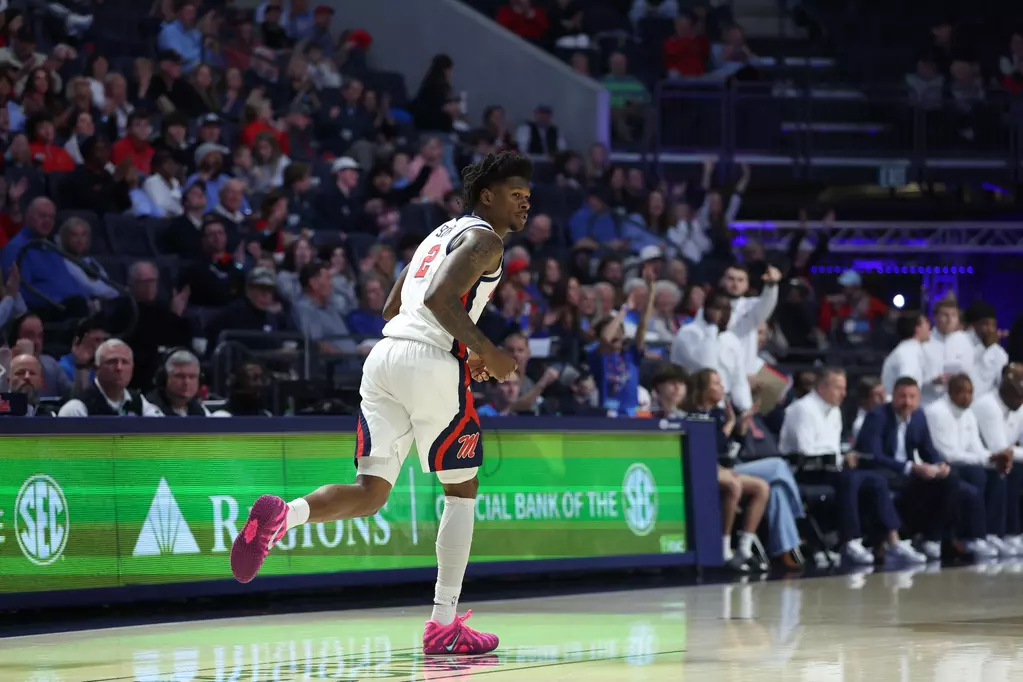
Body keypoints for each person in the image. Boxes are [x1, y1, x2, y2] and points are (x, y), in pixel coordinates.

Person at [227, 152, 530, 655]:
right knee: (462, 489)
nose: (524, 203)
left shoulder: (438, 235)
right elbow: (438, 301)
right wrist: (488, 352)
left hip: (384, 357)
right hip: (429, 363)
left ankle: (285, 515)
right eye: (515, 195)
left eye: (528, 196)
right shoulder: (486, 239)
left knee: (370, 493)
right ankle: (444, 622)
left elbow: (394, 306)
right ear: (486, 196)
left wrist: (466, 347)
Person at [780, 367, 926, 565]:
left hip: (831, 469)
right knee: (850, 478)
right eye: (838, 388)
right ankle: (851, 541)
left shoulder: (834, 411)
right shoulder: (802, 409)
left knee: (876, 480)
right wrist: (841, 459)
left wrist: (845, 456)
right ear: (822, 387)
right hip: (804, 471)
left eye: (844, 388)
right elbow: (806, 452)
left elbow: (833, 446)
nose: (844, 393)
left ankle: (892, 541)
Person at [855, 377, 967, 560]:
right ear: (893, 396)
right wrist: (911, 467)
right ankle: (894, 542)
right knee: (890, 481)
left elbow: (929, 451)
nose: (907, 402)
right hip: (882, 472)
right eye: (902, 396)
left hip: (906, 475)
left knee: (950, 479)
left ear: (918, 398)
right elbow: (875, 456)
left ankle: (933, 538)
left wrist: (940, 464)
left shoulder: (919, 416)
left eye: (912, 397)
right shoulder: (877, 416)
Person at [923, 373, 1014, 556]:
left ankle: (992, 533)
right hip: (941, 466)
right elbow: (948, 454)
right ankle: (972, 537)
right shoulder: (936, 412)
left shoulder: (969, 413)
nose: (966, 397)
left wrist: (995, 459)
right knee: (976, 475)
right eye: (961, 392)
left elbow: (977, 449)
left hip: (965, 463)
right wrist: (986, 459)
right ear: (950, 392)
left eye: (970, 392)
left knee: (999, 473)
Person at [57, 339, 164, 417]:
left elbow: (163, 433)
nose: (119, 368)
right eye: (112, 362)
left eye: (125, 362)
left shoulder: (140, 403)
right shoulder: (77, 409)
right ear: (96, 368)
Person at [146, 349, 210, 416]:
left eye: (192, 377)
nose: (186, 382)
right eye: (180, 376)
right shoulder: (149, 410)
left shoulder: (200, 410)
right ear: (164, 378)